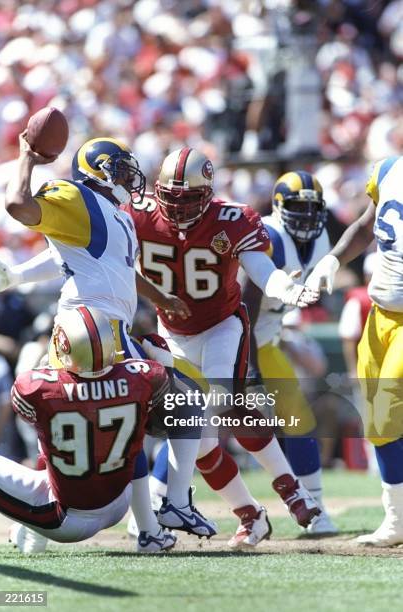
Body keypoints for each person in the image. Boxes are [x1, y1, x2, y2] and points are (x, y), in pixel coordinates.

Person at [2, 133, 215, 551]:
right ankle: (170, 507)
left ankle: (41, 532)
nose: (128, 178)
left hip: (102, 327)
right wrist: (27, 158)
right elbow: (18, 206)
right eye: (119, 168)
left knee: (108, 419)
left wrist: (159, 297)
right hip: (91, 329)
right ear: (99, 170)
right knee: (183, 397)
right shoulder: (76, 196)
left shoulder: (112, 215)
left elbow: (79, 259)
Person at [127, 147, 321, 548]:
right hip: (171, 332)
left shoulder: (232, 219)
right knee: (198, 438)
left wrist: (288, 287)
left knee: (217, 406)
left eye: (189, 199)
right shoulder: (138, 213)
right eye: (171, 198)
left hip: (220, 326)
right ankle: (252, 514)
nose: (178, 209)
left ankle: (288, 489)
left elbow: (263, 272)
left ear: (208, 193)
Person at [2, 306, 177, 554]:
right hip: (119, 502)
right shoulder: (144, 375)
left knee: (50, 436)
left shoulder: (38, 388)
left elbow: (27, 407)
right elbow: (158, 421)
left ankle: (34, 530)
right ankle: (31, 534)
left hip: (66, 518)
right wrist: (162, 362)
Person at [306, 154, 403, 546]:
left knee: (392, 400)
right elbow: (366, 225)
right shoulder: (387, 169)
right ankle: (396, 520)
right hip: (380, 316)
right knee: (380, 422)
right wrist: (333, 258)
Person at [241, 170, 337, 535]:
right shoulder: (271, 237)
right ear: (280, 206)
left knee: (299, 419)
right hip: (231, 336)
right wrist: (250, 375)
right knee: (188, 427)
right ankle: (154, 506)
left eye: (313, 208)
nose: (308, 217)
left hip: (265, 338)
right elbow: (246, 309)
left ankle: (316, 508)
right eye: (298, 207)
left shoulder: (321, 237)